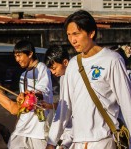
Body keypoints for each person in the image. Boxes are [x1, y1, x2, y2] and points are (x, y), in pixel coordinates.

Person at [46, 10, 131, 149]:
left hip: (103, 140)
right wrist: (51, 142)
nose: (72, 40)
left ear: (91, 33)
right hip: (77, 141)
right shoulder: (73, 64)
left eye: (76, 34)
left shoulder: (112, 60)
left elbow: (127, 104)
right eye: (69, 35)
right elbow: (63, 108)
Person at [8, 39, 53, 149]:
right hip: (23, 125)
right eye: (15, 56)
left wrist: (32, 96)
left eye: (19, 55)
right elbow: (23, 103)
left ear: (30, 54)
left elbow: (44, 90)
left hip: (38, 127)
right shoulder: (23, 75)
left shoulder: (42, 68)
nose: (17, 59)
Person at [42, 45, 73, 149]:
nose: (53, 72)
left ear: (65, 62)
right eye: (50, 70)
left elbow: (64, 111)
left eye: (54, 68)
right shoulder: (64, 76)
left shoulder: (72, 76)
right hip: (72, 134)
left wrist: (52, 142)